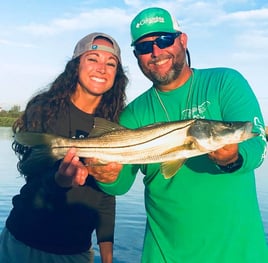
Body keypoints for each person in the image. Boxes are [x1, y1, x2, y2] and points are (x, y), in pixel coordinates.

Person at [93, 7, 268, 263]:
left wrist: (233, 158)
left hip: (240, 253)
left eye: (164, 40)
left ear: (182, 40)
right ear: (136, 56)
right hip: (164, 254)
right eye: (144, 47)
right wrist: (106, 176)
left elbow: (258, 144)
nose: (156, 52)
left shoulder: (225, 82)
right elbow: (120, 185)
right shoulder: (133, 113)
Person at [0, 32, 128, 263]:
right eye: (93, 59)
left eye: (111, 63)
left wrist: (107, 257)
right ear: (75, 64)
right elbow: (31, 172)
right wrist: (58, 182)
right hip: (22, 242)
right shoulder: (45, 109)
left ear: (116, 75)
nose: (102, 68)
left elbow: (106, 196)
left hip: (76, 252)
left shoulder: (114, 127)